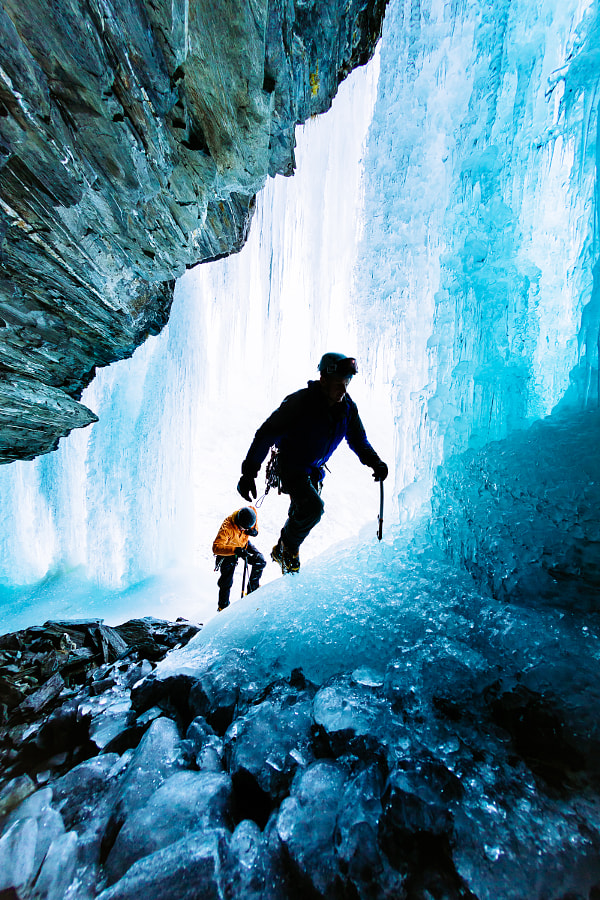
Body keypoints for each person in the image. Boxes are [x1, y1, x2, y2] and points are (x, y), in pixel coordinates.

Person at [237, 353, 388, 573]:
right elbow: (266, 434)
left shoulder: (347, 409)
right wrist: (249, 473)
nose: (343, 390)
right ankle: (286, 549)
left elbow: (358, 440)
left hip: (314, 470)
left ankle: (285, 552)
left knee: (301, 511)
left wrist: (376, 463)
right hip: (291, 466)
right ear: (323, 379)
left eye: (347, 384)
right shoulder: (299, 403)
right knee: (312, 508)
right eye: (339, 384)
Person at [212, 506, 266, 611]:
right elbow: (216, 547)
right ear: (237, 522)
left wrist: (254, 530)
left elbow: (253, 510)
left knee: (260, 561)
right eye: (243, 528)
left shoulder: (249, 513)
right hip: (228, 551)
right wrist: (235, 550)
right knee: (226, 581)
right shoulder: (227, 528)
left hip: (243, 544)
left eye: (247, 528)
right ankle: (223, 607)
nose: (246, 530)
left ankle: (252, 590)